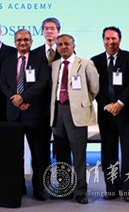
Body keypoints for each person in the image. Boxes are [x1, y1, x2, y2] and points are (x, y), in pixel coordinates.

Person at [91, 26, 129, 202]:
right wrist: (107, 105)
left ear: (120, 40)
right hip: (106, 114)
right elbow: (95, 87)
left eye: (114, 39)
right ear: (103, 40)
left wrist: (120, 103)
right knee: (108, 153)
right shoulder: (95, 61)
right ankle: (112, 188)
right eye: (107, 39)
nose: (110, 42)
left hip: (127, 113)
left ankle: (128, 189)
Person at [0, 29, 51, 200]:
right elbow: (3, 83)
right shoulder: (7, 61)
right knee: (15, 154)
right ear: (15, 42)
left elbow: (42, 82)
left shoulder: (39, 59)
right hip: (13, 113)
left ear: (31, 41)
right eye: (19, 40)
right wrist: (16, 99)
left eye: (26, 40)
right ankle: (18, 186)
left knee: (38, 153)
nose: (22, 42)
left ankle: (39, 188)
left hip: (33, 111)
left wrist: (24, 98)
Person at [50, 34, 99, 204]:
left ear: (73, 46)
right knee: (61, 153)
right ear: (57, 47)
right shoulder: (54, 65)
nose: (63, 47)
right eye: (60, 44)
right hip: (58, 111)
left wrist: (81, 102)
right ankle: (64, 188)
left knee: (78, 154)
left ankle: (80, 191)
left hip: (76, 112)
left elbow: (94, 88)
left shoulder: (85, 63)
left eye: (67, 44)